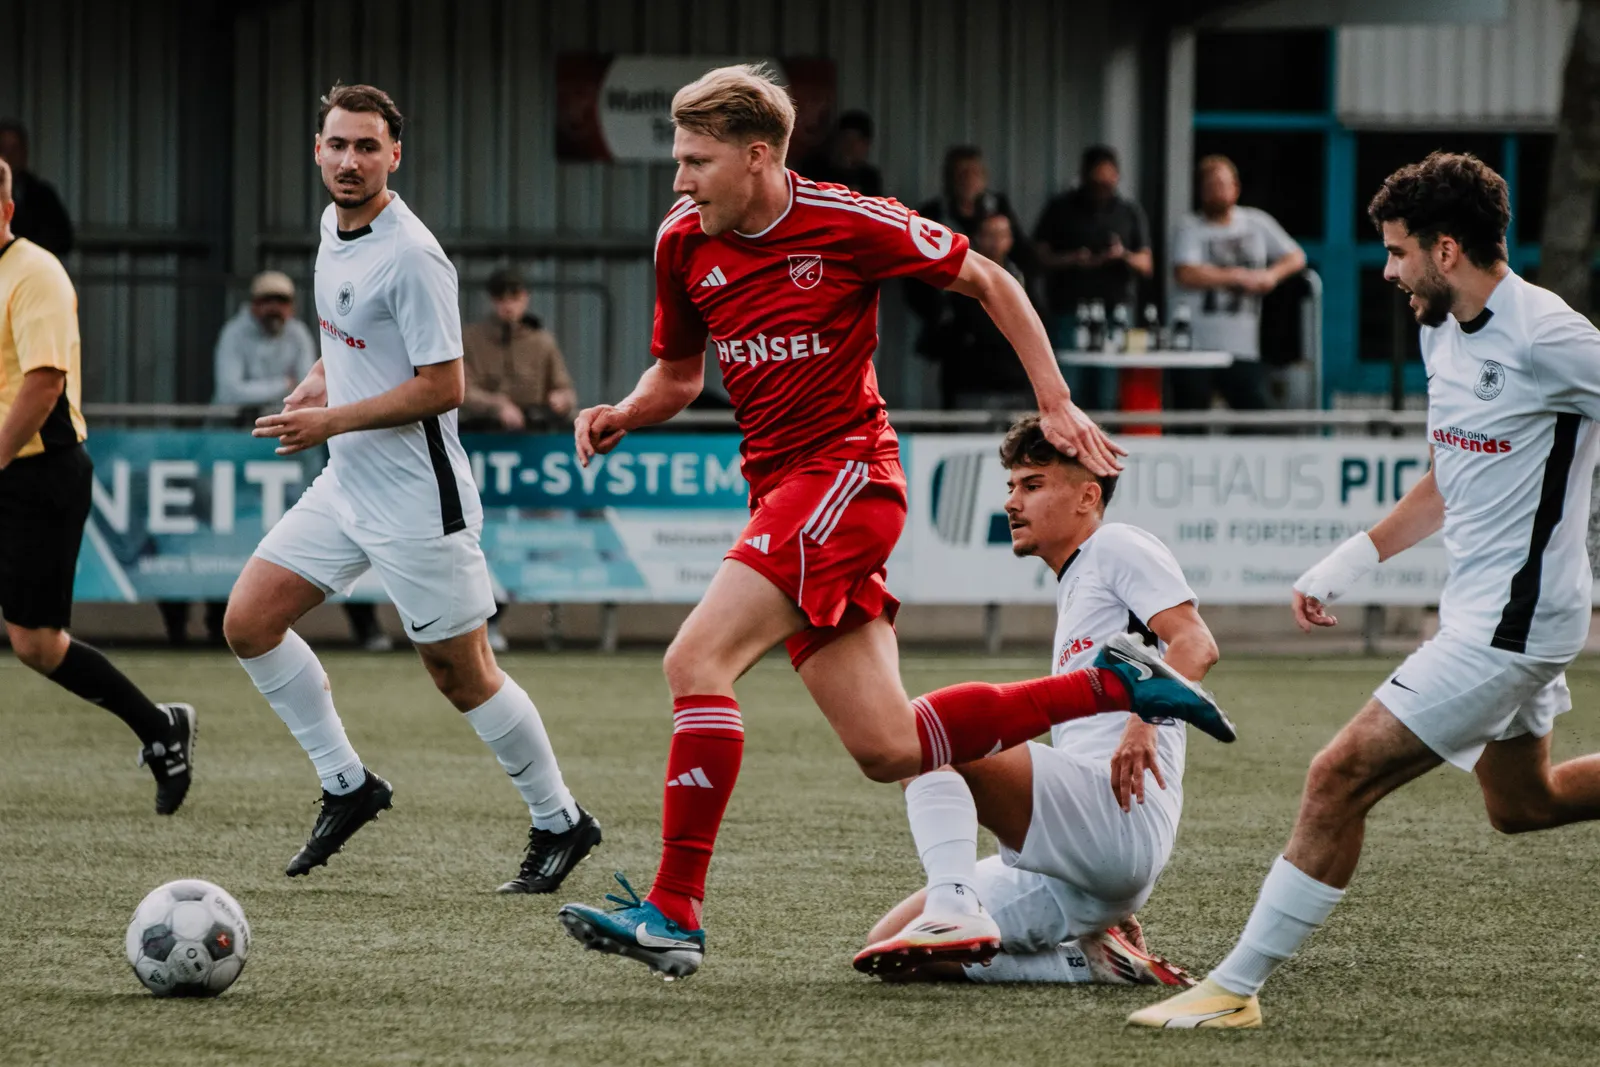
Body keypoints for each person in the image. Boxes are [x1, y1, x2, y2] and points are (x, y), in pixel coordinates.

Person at [554, 64, 1234, 981]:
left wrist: (1055, 400)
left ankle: (673, 911)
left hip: (847, 476)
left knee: (694, 661)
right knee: (891, 746)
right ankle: (1110, 688)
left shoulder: (847, 221)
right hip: (782, 492)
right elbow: (679, 376)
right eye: (678, 160)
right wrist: (625, 412)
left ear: (758, 156)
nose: (680, 180)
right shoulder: (683, 241)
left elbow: (990, 279)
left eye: (696, 161)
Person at [1132, 152, 1600, 1029]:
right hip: (1482, 610)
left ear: (1446, 249)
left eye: (1395, 251)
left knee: (1337, 775)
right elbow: (1451, 474)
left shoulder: (1551, 335)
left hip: (1515, 625)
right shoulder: (1439, 326)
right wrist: (1351, 560)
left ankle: (1233, 988)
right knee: (1521, 804)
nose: (1386, 271)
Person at [226, 84, 600, 893]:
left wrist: (331, 419)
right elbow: (353, 334)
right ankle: (347, 783)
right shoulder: (331, 228)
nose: (349, 160)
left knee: (462, 674)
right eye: (337, 144)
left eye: (367, 147)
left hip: (417, 499)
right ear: (317, 150)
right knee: (248, 621)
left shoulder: (413, 254)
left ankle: (560, 819)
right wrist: (321, 376)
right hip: (346, 484)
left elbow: (443, 386)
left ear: (395, 155)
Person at [855, 414, 1213, 988]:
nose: (1011, 501)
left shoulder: (1114, 544)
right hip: (1081, 864)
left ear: (1088, 497)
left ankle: (956, 904)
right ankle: (1089, 963)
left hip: (1116, 815)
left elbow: (1196, 643)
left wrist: (1144, 723)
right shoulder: (1077, 579)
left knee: (922, 733)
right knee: (892, 948)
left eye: (1033, 484)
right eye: (1011, 486)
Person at [0, 159, 194, 814]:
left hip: (38, 473)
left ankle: (160, 728)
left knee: (35, 643)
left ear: (7, 210)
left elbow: (43, 383)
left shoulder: (36, 273)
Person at [460, 266, 577, 652]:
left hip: (529, 451)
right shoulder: (472, 338)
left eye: (514, 297)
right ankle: (473, 619)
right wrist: (497, 405)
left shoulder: (542, 342)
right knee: (480, 536)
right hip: (481, 447)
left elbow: (564, 388)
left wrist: (560, 400)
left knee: (525, 537)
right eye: (501, 298)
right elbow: (462, 387)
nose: (508, 306)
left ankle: (498, 617)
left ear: (525, 298)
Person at [1170, 155, 1306, 416]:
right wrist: (1238, 277)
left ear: (1236, 187)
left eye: (1222, 184)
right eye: (1210, 185)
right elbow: (1186, 273)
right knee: (1190, 418)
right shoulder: (1190, 227)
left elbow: (1296, 256)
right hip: (1196, 346)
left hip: (1243, 346)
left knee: (1255, 418)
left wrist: (1271, 276)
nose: (1217, 191)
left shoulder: (1255, 222)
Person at [1033, 146, 1153, 406]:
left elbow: (1146, 264)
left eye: (1107, 182)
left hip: (1114, 314)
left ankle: (1101, 432)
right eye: (1096, 182)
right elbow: (1038, 256)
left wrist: (1122, 255)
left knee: (1107, 391)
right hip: (1069, 309)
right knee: (1067, 388)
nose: (1102, 188)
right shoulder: (1061, 207)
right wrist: (1073, 259)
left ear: (1117, 176)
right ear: (1084, 176)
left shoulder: (1128, 211)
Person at [927, 212, 1034, 410]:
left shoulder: (1020, 278)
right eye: (990, 235)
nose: (996, 242)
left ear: (1010, 239)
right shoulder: (960, 273)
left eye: (1002, 235)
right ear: (977, 237)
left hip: (1014, 381)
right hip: (970, 381)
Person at [0, 122, 73, 257]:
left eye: (14, 149)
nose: (8, 156)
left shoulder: (43, 196)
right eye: (3, 149)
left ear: (24, 153)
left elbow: (62, 240)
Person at [796, 109, 883, 198]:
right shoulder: (814, 167)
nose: (849, 146)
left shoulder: (869, 177)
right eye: (846, 139)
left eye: (855, 141)